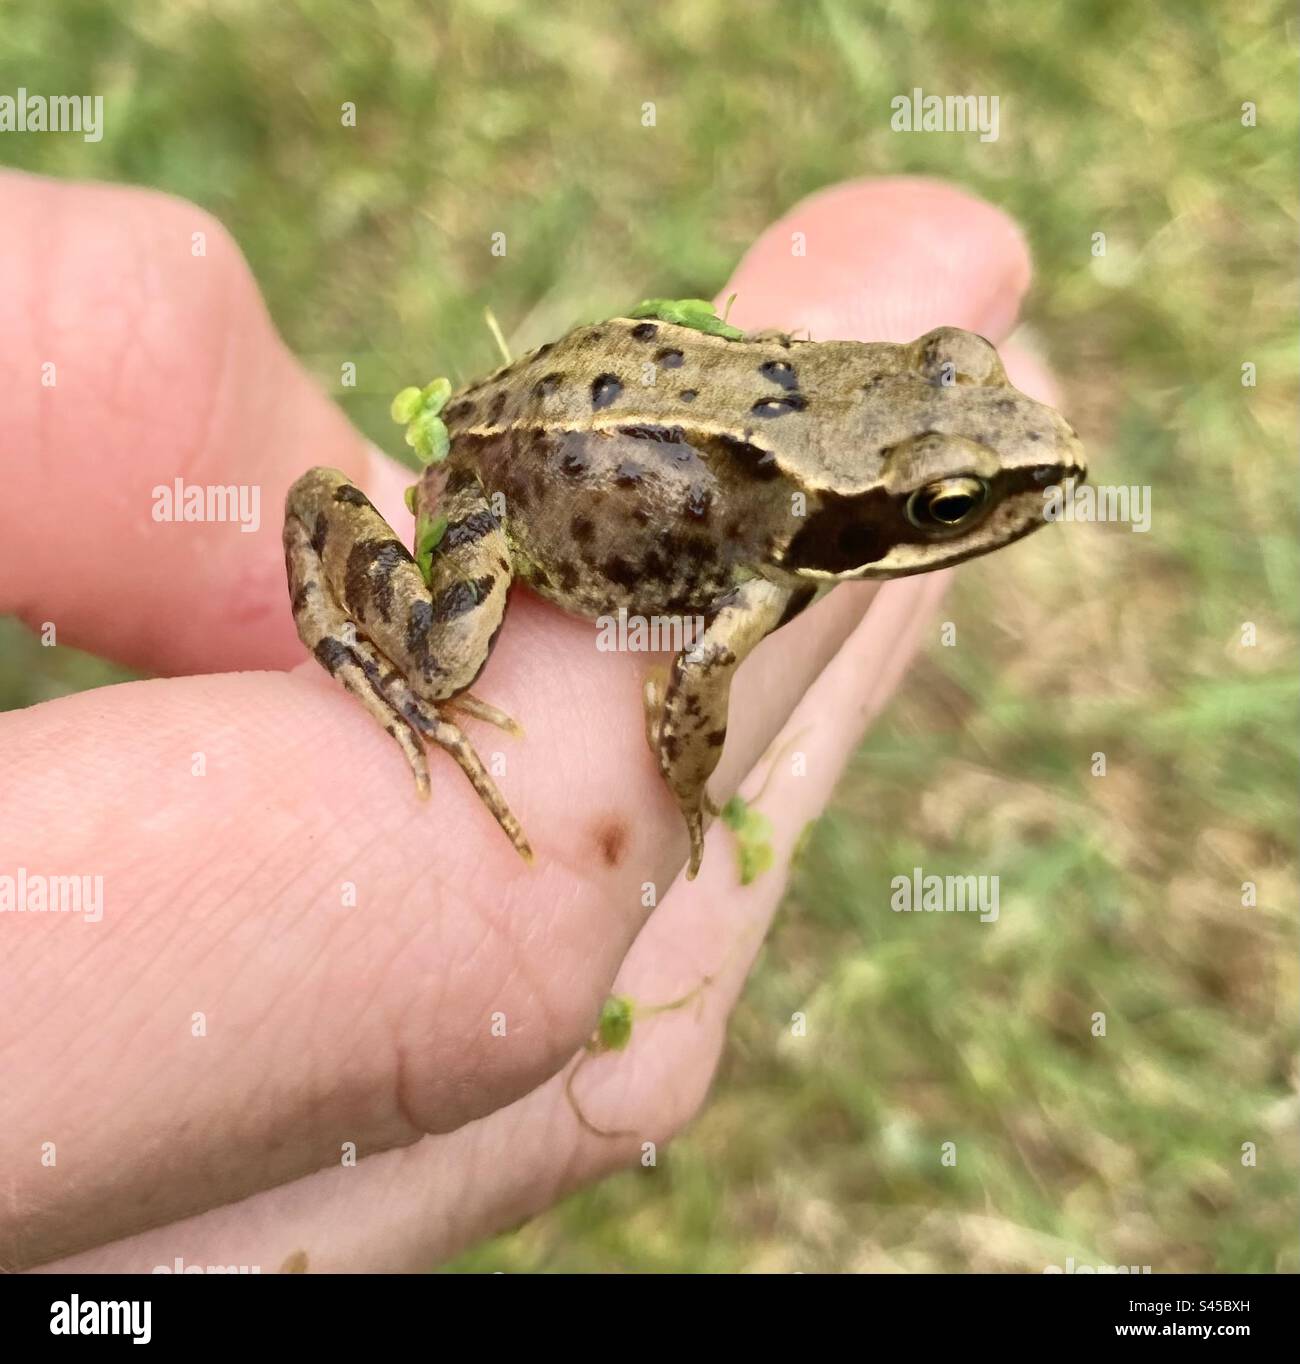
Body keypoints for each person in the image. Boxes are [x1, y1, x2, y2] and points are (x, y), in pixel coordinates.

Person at [0, 172, 1058, 1272]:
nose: (992, 508)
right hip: (497, 484)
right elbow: (697, 677)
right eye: (946, 506)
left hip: (587, 400)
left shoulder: (801, 500)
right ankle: (352, 623)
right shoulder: (764, 566)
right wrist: (692, 790)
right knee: (450, 659)